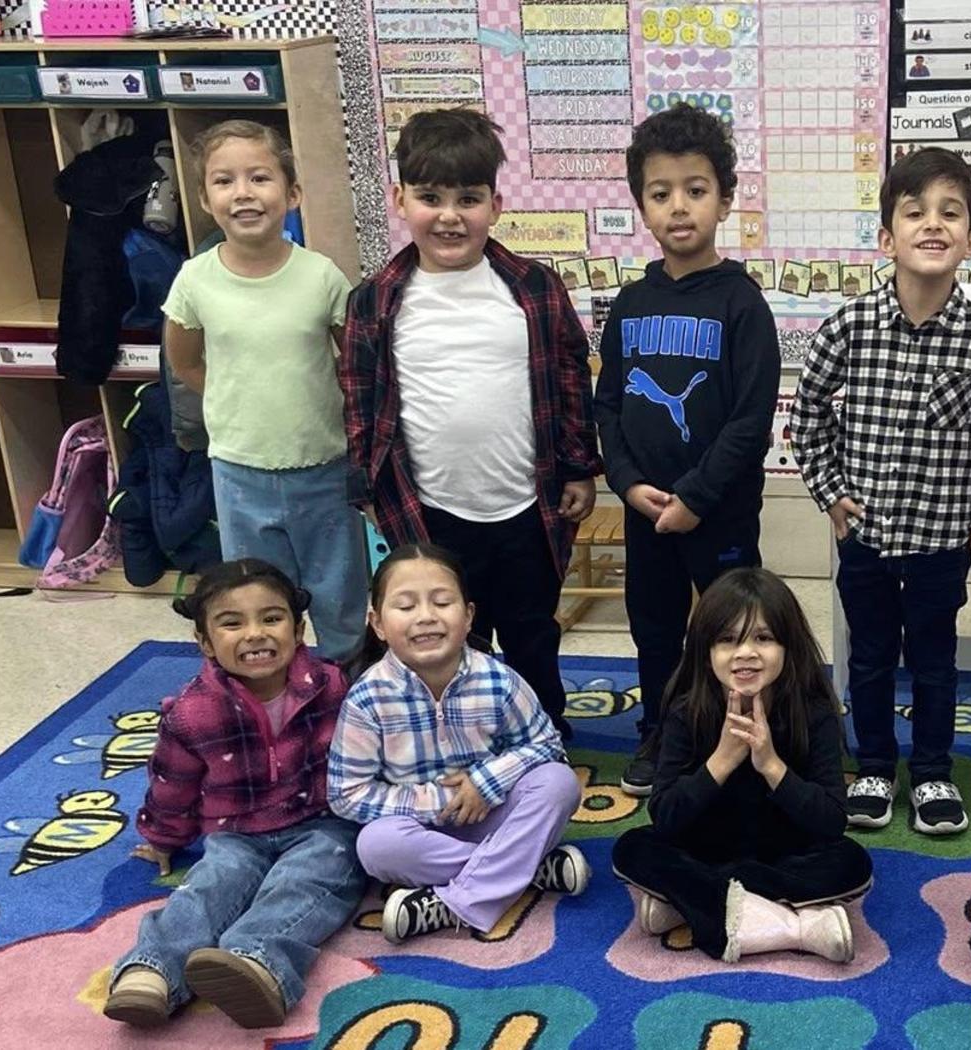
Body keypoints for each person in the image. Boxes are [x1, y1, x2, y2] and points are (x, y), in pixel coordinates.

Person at [339, 109, 602, 740]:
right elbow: (359, 400)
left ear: (497, 204)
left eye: (469, 199)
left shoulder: (532, 288)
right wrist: (371, 491)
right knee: (447, 639)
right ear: (401, 200)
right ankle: (456, 738)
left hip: (525, 506)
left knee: (532, 631)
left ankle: (545, 736)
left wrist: (577, 466)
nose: (450, 216)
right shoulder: (375, 299)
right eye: (430, 198)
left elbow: (569, 378)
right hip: (429, 509)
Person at [788, 147, 971, 836]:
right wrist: (832, 497)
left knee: (937, 658)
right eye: (915, 212)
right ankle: (878, 767)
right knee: (872, 656)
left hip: (943, 537)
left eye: (951, 213)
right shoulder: (849, 328)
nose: (933, 225)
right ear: (888, 237)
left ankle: (934, 773)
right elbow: (805, 416)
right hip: (869, 536)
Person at [594, 102, 781, 795]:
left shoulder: (742, 305)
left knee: (739, 634)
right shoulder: (630, 304)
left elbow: (750, 418)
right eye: (661, 192)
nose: (679, 208)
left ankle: (745, 730)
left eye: (696, 190)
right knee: (655, 630)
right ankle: (659, 734)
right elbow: (609, 405)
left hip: (719, 513)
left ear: (724, 199)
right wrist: (627, 484)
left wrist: (698, 498)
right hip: (648, 512)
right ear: (642, 203)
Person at [105, 560, 364, 1030]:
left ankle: (257, 958)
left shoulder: (332, 685)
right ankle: (153, 969)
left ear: (299, 628)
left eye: (271, 618)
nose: (255, 634)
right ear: (204, 643)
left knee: (310, 878)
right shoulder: (191, 712)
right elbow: (172, 781)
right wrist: (164, 837)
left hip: (323, 820)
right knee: (211, 884)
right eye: (232, 623)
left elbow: (369, 747)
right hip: (237, 829)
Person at [160, 120, 365, 663]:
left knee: (339, 588)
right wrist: (237, 404)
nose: (244, 193)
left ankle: (343, 683)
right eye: (225, 181)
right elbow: (185, 362)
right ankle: (273, 688)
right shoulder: (194, 280)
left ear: (291, 193)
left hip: (324, 468)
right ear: (205, 198)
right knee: (256, 593)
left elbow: (356, 367)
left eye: (260, 177)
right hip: (239, 472)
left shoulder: (321, 277)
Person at [328, 544, 587, 943]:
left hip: (497, 814)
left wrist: (486, 782)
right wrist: (436, 802)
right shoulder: (367, 698)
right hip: (420, 830)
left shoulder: (498, 680)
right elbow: (347, 793)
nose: (426, 617)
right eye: (406, 606)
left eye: (442, 602)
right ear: (377, 624)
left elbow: (546, 745)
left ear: (468, 616)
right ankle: (528, 867)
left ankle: (458, 900)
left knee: (558, 783)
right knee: (375, 846)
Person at [610, 568, 872, 962]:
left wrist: (770, 765)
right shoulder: (687, 710)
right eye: (728, 640)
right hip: (705, 848)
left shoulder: (812, 711)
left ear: (788, 646)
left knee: (853, 863)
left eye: (763, 638)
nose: (746, 652)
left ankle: (688, 904)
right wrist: (722, 760)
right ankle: (796, 928)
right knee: (632, 848)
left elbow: (832, 820)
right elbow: (665, 816)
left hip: (785, 853)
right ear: (705, 651)